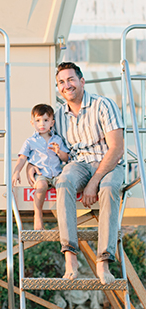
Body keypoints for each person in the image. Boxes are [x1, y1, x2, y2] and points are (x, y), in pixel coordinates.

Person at [27, 62, 124, 284]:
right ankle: (70, 256)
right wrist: (33, 165)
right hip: (78, 164)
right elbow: (44, 142)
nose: (66, 85)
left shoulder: (103, 105)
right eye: (61, 82)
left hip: (108, 163)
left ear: (81, 81)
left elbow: (116, 148)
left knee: (108, 188)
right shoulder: (58, 115)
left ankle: (103, 261)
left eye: (70, 79)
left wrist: (94, 183)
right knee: (63, 181)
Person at [12, 104, 69, 230]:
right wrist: (16, 172)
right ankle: (38, 215)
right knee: (41, 186)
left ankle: (63, 221)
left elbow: (66, 158)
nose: (41, 124)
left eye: (45, 120)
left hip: (56, 173)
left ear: (52, 123)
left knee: (64, 187)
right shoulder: (30, 141)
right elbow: (22, 157)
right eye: (38, 120)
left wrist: (58, 151)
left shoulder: (57, 140)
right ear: (32, 123)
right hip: (41, 174)